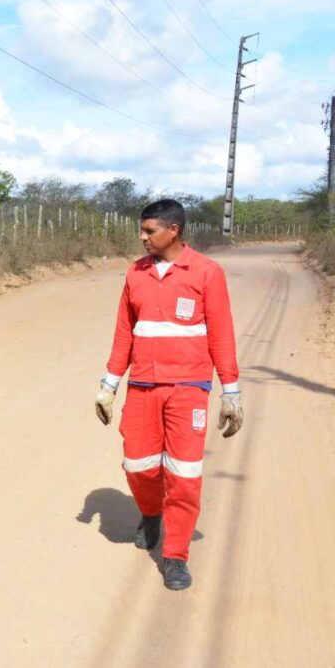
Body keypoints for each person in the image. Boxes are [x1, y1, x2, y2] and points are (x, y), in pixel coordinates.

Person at [94, 198, 244, 591]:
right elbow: (124, 333)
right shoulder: (135, 274)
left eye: (149, 231)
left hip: (188, 390)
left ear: (172, 231)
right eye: (142, 230)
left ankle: (176, 555)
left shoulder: (207, 273)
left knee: (184, 474)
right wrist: (109, 385)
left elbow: (222, 335)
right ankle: (151, 512)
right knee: (138, 465)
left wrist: (231, 392)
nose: (142, 237)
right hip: (142, 386)